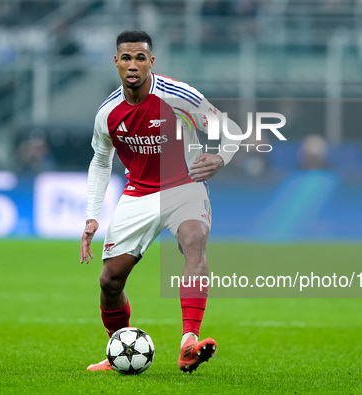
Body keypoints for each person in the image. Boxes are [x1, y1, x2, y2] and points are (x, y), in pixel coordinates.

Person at [79, 30, 241, 373]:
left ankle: (188, 342)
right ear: (116, 63)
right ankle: (117, 347)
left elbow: (229, 129)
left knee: (194, 241)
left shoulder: (180, 97)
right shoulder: (107, 113)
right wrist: (92, 215)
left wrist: (221, 157)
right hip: (138, 193)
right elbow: (100, 160)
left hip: (185, 186)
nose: (133, 65)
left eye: (140, 58)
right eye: (126, 58)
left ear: (152, 61)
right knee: (110, 281)